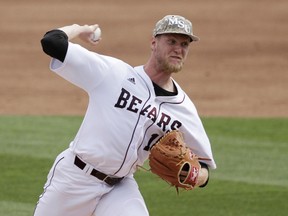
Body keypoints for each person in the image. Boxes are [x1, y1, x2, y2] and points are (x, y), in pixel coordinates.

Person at [34, 15, 216, 216]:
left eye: (184, 44)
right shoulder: (114, 74)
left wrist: (193, 175)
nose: (178, 49)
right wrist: (79, 28)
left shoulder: (184, 109)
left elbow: (204, 166)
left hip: (119, 188)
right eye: (171, 41)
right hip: (74, 178)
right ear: (154, 43)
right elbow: (51, 42)